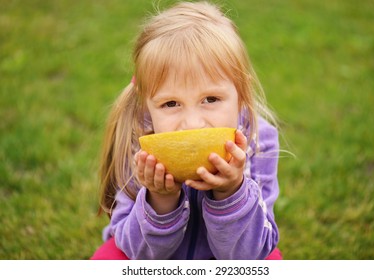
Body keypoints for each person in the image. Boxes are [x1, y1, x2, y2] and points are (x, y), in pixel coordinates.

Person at [91, 1, 282, 260]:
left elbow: (251, 254)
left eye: (211, 99)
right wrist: (159, 200)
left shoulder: (257, 141)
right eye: (171, 104)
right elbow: (136, 253)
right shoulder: (140, 141)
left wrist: (232, 192)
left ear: (241, 95)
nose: (192, 124)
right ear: (146, 105)